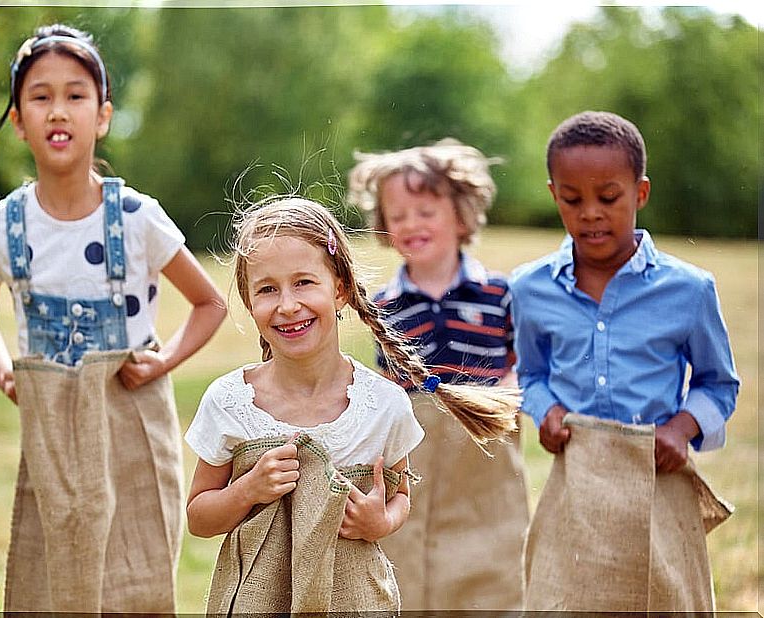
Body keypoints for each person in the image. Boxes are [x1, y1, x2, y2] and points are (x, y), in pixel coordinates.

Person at [0, 24, 227, 612]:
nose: (59, 109)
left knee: (138, 564)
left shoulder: (137, 218)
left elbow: (212, 304)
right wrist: (7, 375)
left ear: (102, 116)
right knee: (57, 564)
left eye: (76, 95)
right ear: (19, 120)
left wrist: (164, 361)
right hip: (53, 426)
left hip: (132, 411)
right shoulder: (3, 227)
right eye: (40, 95)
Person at [184, 196, 518, 614]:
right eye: (268, 289)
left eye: (304, 282)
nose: (287, 305)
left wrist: (381, 522)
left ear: (339, 289)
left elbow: (400, 498)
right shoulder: (230, 402)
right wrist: (249, 490)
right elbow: (198, 518)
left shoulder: (383, 404)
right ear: (251, 306)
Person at [510, 110, 739, 611]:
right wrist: (545, 410)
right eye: (573, 200)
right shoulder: (530, 288)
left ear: (640, 193)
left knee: (663, 601)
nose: (590, 212)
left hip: (656, 480)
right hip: (576, 486)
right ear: (554, 196)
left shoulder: (689, 290)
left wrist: (681, 429)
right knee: (562, 600)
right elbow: (531, 373)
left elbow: (719, 385)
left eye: (608, 197)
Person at [347, 138, 529, 610]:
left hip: (484, 457)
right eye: (398, 215)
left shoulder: (498, 293)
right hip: (416, 451)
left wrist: (508, 400)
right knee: (408, 565)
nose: (411, 225)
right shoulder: (383, 305)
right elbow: (387, 383)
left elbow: (517, 366)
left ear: (461, 215)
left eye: (425, 211)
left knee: (490, 570)